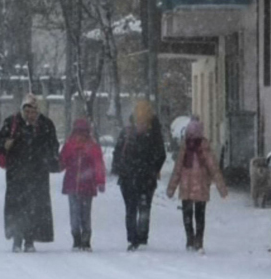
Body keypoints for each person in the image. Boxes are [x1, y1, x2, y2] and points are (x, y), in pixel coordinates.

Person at [0, 93, 60, 253]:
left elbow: (54, 146)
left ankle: (30, 240)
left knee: (34, 207)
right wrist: (5, 143)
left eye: (33, 111)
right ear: (23, 110)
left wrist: (48, 158)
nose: (30, 115)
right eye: (27, 111)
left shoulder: (45, 124)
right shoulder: (13, 122)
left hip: (38, 174)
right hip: (16, 174)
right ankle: (17, 239)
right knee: (17, 207)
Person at [166, 116, 228, 254]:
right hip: (201, 188)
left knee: (187, 214)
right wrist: (222, 188)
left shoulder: (185, 147)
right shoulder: (204, 147)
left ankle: (190, 239)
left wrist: (171, 189)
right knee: (200, 215)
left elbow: (177, 170)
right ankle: (199, 241)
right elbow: (214, 168)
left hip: (186, 188)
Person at [112, 101, 166, 251]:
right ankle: (142, 236)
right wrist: (153, 169)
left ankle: (132, 238)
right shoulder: (154, 133)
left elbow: (117, 152)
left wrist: (120, 169)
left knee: (130, 208)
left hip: (128, 177)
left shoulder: (127, 131)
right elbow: (161, 154)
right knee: (144, 207)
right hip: (147, 178)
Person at [59, 118, 106, 251]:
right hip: (74, 186)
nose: (80, 136)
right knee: (76, 214)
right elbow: (62, 161)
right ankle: (77, 238)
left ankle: (85, 239)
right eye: (78, 133)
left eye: (83, 133)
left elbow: (98, 165)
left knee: (84, 214)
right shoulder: (70, 146)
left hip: (85, 186)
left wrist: (100, 180)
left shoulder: (91, 147)